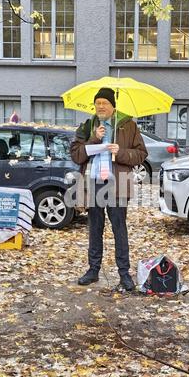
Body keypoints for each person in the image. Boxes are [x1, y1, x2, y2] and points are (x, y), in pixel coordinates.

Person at [70, 87, 148, 291]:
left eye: (104, 103)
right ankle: (93, 270)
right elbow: (76, 155)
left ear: (113, 106)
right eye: (97, 104)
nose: (100, 107)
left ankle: (124, 274)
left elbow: (141, 154)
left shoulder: (128, 125)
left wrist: (121, 152)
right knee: (94, 229)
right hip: (93, 183)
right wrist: (94, 139)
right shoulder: (87, 126)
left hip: (117, 184)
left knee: (119, 230)